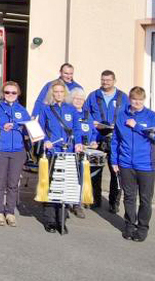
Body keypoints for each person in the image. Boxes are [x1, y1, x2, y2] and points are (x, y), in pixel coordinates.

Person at [38, 80, 83, 234]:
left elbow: (77, 129)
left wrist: (78, 143)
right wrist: (46, 141)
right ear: (52, 93)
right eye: (55, 92)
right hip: (52, 153)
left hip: (68, 153)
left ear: (65, 93)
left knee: (63, 186)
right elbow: (41, 129)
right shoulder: (46, 109)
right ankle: (50, 220)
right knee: (51, 187)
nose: (58, 94)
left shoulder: (71, 110)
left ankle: (61, 219)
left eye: (61, 92)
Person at [111, 87, 155, 242]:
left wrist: (136, 126)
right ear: (129, 99)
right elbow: (115, 140)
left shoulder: (151, 116)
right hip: (125, 163)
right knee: (129, 197)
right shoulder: (121, 115)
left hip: (146, 165)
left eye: (140, 100)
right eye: (134, 99)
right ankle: (129, 225)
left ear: (144, 100)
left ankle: (142, 229)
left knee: (145, 199)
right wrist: (114, 160)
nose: (137, 102)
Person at [0, 81, 30, 227]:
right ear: (3, 94)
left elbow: (29, 129)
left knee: (13, 183)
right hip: (1, 150)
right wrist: (1, 127)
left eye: (13, 93)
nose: (10, 95)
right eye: (7, 92)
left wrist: (26, 128)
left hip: (18, 151)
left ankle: (10, 212)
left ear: (18, 94)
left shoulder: (22, 110)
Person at [88, 70, 129, 212]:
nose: (105, 83)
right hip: (97, 139)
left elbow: (128, 116)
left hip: (115, 140)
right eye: (103, 80)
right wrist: (92, 124)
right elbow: (86, 115)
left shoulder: (123, 97)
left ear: (114, 81)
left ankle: (114, 202)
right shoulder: (93, 96)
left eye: (108, 80)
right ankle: (95, 199)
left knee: (115, 171)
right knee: (95, 170)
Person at [69, 88, 97, 219]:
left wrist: (93, 141)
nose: (78, 101)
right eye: (76, 98)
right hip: (71, 149)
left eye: (81, 99)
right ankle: (69, 202)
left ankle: (78, 203)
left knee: (82, 178)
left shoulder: (87, 114)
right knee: (72, 177)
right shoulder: (68, 112)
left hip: (85, 151)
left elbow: (93, 131)